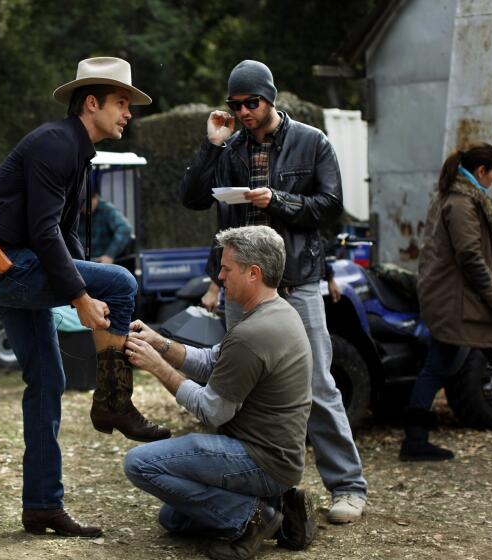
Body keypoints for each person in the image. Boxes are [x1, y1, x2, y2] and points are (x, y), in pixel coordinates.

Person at [0, 57, 169, 537]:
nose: (128, 113)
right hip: (3, 269)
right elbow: (44, 232)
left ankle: (42, 505)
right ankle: (113, 400)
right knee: (123, 282)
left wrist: (81, 281)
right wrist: (82, 295)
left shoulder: (78, 153)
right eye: (122, 103)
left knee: (47, 381)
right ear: (92, 103)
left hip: (20, 267)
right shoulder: (54, 144)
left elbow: (65, 236)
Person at [179, 60, 368, 524]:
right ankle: (253, 488)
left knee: (317, 382)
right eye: (235, 104)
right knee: (233, 383)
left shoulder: (312, 141)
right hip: (242, 286)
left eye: (251, 102)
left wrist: (277, 201)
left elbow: (331, 207)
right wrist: (211, 145)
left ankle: (347, 487)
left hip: (295, 282)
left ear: (271, 98)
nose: (242, 111)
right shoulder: (230, 145)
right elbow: (191, 197)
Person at [124, 226, 315, 560]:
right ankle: (281, 508)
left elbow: (212, 411)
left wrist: (158, 367)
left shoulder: (253, 333)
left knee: (139, 464)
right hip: (276, 458)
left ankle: (253, 517)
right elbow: (213, 361)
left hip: (261, 460)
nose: (220, 276)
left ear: (253, 273)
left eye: (226, 269)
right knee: (173, 518)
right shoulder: (277, 312)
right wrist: (161, 343)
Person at [400, 143, 492, 460]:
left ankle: (414, 440)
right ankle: (414, 440)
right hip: (461, 302)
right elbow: (470, 257)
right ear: (481, 171)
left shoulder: (454, 198)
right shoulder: (462, 204)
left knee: (438, 364)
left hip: (455, 299)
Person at [79, 192, 134, 264]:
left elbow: (125, 229)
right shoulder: (77, 212)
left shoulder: (107, 210)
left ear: (95, 198)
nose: (84, 207)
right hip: (83, 260)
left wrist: (109, 255)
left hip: (102, 261)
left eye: (87, 203)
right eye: (82, 204)